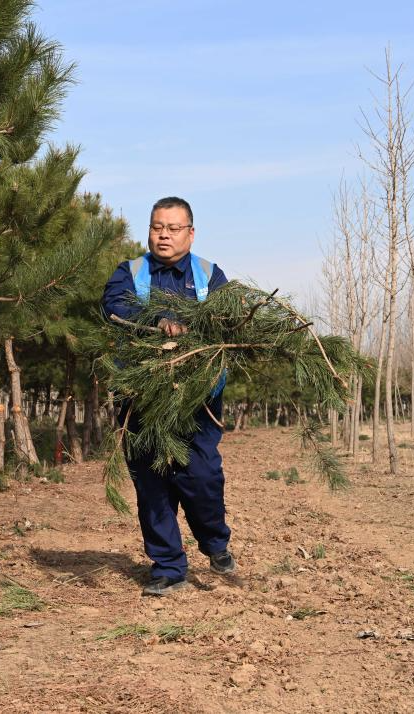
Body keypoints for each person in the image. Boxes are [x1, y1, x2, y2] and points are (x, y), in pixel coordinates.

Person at [101, 196, 236, 596]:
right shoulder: (130, 273)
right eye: (157, 227)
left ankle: (214, 541)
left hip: (197, 397)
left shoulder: (210, 275)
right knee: (152, 484)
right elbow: (115, 306)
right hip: (141, 397)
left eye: (173, 228)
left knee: (202, 475)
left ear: (190, 234)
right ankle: (168, 567)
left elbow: (226, 320)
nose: (164, 235)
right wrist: (156, 320)